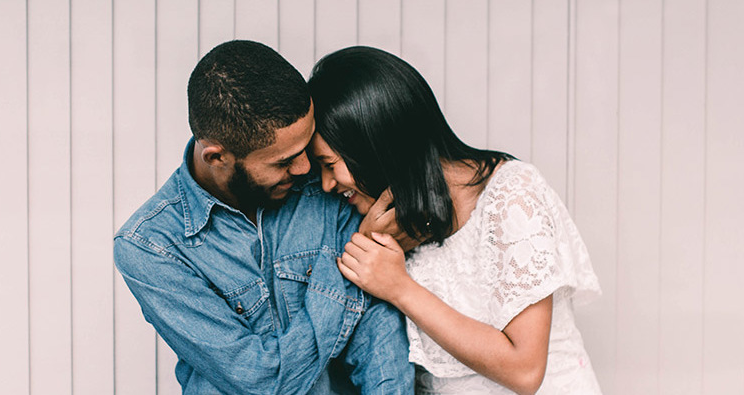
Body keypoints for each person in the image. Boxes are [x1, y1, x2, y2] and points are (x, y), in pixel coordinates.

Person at [113, 40, 413, 394]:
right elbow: (260, 381)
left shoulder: (327, 187)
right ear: (216, 158)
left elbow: (377, 335)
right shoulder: (152, 247)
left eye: (306, 150)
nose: (305, 169)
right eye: (283, 162)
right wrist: (354, 258)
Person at [307, 46, 603, 395]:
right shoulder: (387, 221)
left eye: (330, 164)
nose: (327, 184)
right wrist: (369, 243)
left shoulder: (511, 194)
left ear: (374, 146)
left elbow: (525, 371)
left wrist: (399, 288)